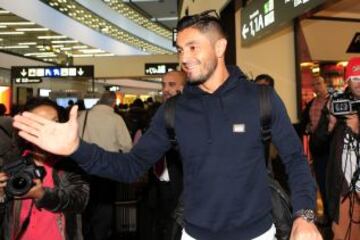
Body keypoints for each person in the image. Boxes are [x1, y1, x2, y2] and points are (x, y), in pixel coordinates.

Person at [13, 10, 322, 240]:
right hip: (193, 234)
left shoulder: (260, 98)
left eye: (193, 47)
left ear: (220, 47)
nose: (183, 58)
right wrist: (76, 148)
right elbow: (131, 166)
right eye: (179, 50)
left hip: (259, 234)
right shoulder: (173, 111)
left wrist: (304, 216)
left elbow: (295, 160)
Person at [1, 97, 89, 240]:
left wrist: (42, 195)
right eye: (40, 123)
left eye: (54, 122)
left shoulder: (70, 162)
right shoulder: (12, 160)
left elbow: (79, 201)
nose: (49, 128)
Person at [312, 57, 360, 240]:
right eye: (355, 78)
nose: (359, 83)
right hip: (344, 188)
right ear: (347, 80)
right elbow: (316, 144)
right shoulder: (336, 104)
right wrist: (330, 124)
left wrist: (357, 129)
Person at [78, 91, 132, 240]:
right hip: (109, 166)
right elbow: (127, 146)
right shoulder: (116, 119)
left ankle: (86, 231)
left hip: (85, 165)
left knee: (87, 199)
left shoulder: (84, 116)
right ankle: (101, 233)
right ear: (113, 103)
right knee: (106, 201)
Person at [151, 70, 186, 240]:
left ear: (184, 88)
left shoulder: (189, 114)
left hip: (182, 182)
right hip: (162, 179)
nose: (165, 89)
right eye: (163, 84)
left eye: (171, 85)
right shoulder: (160, 113)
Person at [300, 76, 330, 225]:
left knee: (332, 184)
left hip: (331, 149)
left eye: (319, 83)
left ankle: (333, 217)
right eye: (314, 85)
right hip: (317, 148)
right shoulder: (312, 103)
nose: (316, 87)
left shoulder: (332, 102)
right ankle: (327, 216)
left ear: (325, 84)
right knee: (322, 184)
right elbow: (305, 122)